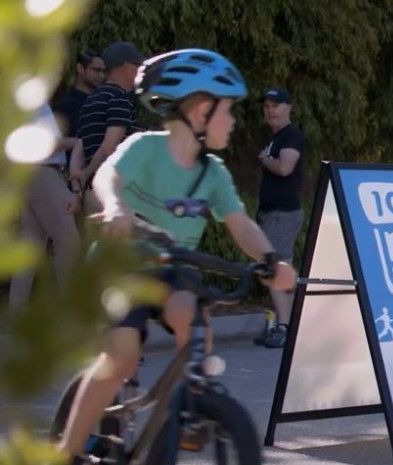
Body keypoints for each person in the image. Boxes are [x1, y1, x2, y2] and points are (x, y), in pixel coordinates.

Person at [56, 49, 297, 464]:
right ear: (200, 111)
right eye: (227, 111)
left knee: (194, 325)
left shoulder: (213, 173)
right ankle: (66, 449)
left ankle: (187, 410)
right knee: (122, 355)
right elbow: (108, 176)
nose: (234, 121)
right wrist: (115, 208)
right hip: (121, 267)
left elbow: (240, 224)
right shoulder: (145, 148)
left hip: (168, 271)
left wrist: (272, 260)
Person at [7, 104, 81, 309]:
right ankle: (70, 311)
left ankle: (17, 313)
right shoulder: (32, 98)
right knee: (67, 239)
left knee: (30, 245)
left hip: (27, 174)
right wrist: (74, 142)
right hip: (43, 170)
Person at [252, 87, 306, 349]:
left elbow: (285, 167)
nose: (270, 110)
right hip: (271, 213)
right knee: (273, 269)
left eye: (276, 105)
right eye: (267, 106)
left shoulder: (291, 135)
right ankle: (283, 325)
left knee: (277, 269)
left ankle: (286, 329)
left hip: (283, 213)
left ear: (288, 108)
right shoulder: (276, 137)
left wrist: (265, 159)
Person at [71, 41, 144, 214]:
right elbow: (109, 147)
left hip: (91, 195)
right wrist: (87, 173)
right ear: (125, 67)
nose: (140, 71)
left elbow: (79, 146)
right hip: (115, 194)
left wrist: (78, 180)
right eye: (138, 66)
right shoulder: (118, 98)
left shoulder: (92, 98)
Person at [52, 49, 105, 165]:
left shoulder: (103, 101)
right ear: (80, 69)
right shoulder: (65, 103)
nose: (101, 76)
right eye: (96, 70)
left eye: (103, 71)